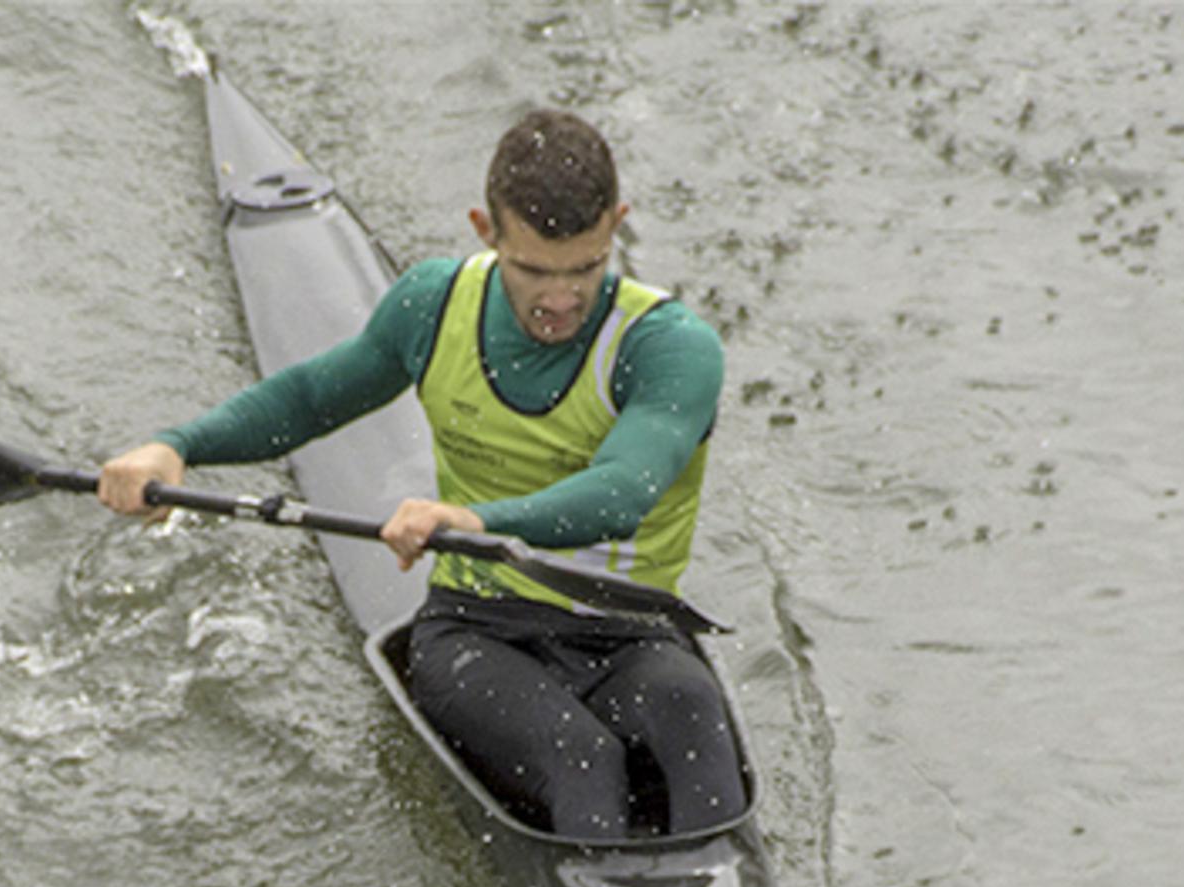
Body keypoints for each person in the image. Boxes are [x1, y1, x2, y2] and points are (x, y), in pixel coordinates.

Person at [97, 106, 735, 842]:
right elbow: (308, 399)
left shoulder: (667, 347)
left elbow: (623, 494)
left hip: (627, 632)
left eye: (584, 269)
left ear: (616, 224)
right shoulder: (431, 305)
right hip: (478, 631)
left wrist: (476, 521)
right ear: (483, 228)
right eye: (532, 270)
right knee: (581, 756)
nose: (559, 299)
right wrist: (176, 445)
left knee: (693, 722)